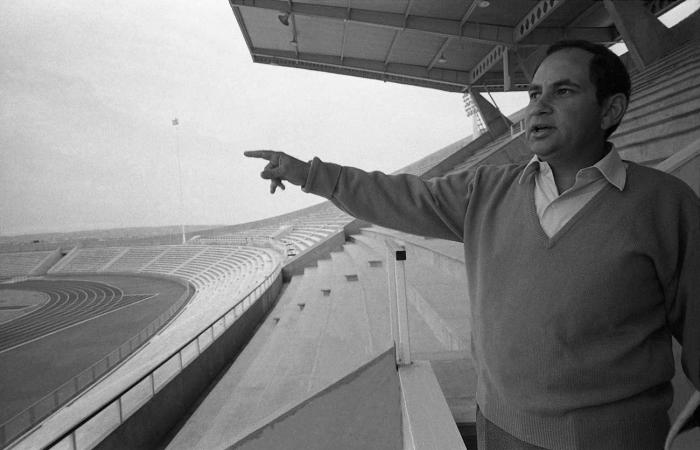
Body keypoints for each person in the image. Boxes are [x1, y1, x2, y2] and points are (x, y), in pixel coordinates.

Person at [245, 40, 699, 450]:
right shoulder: (486, 190)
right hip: (499, 429)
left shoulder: (665, 204)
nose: (537, 108)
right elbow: (401, 196)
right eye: (533, 94)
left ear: (610, 110)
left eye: (562, 92)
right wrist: (309, 174)